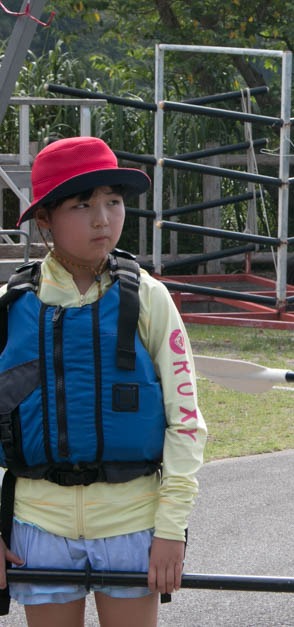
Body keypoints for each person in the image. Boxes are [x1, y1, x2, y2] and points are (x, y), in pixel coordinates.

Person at [0, 136, 207, 625]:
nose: (102, 218)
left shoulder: (150, 298)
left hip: (132, 522)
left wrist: (171, 528)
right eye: (82, 204)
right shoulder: (10, 308)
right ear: (45, 218)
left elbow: (186, 422)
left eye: (113, 202)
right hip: (38, 523)